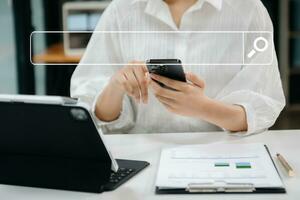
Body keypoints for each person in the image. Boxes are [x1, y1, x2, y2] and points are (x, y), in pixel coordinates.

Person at [71, 0, 285, 135]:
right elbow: (95, 115)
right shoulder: (121, 10)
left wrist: (202, 107)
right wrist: (116, 85)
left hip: (223, 155)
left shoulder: (248, 9)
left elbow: (263, 109)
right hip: (141, 157)